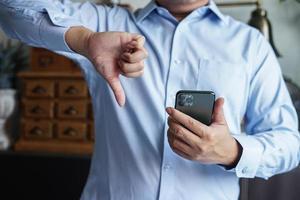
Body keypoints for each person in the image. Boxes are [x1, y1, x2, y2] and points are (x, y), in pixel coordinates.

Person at [0, 0, 299, 199]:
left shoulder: (251, 44)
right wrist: (85, 40)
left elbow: (289, 143)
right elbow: (10, 9)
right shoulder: (104, 21)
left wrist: (232, 150)